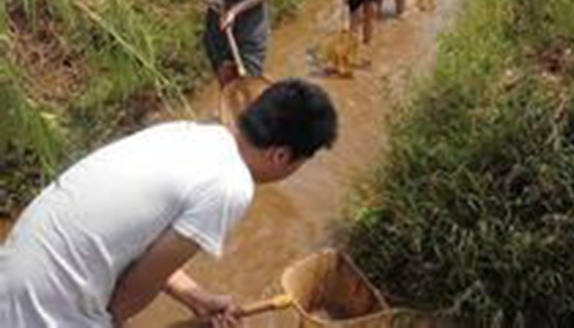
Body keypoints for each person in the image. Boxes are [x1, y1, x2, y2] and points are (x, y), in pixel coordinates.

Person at [0, 78, 338, 327]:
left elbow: (144, 249)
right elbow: (142, 281)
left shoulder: (189, 134)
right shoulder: (231, 184)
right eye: (301, 163)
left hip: (12, 276)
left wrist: (196, 297)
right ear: (280, 155)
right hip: (42, 311)